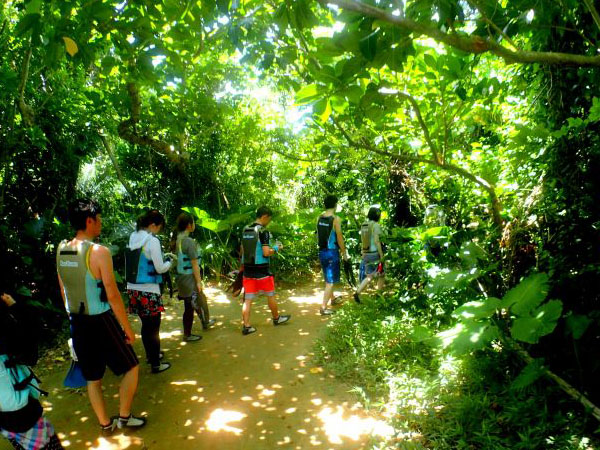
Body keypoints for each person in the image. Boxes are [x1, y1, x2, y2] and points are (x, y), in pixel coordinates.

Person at [56, 199, 145, 436]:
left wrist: (72, 317)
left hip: (77, 321)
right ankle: (124, 417)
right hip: (101, 319)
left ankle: (105, 424)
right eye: (99, 219)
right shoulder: (98, 252)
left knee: (92, 377)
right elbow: (113, 295)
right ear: (89, 221)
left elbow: (63, 289)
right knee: (131, 367)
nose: (101, 223)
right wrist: (127, 329)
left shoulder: (61, 248)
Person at [0, 292, 63, 450]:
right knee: (47, 445)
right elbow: (29, 353)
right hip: (18, 408)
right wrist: (15, 307)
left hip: (7, 411)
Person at [126, 209, 173, 373]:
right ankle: (155, 364)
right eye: (159, 227)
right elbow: (160, 268)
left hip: (133, 290)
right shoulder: (152, 241)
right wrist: (169, 263)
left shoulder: (133, 236)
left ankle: (151, 356)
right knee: (154, 328)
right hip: (148, 290)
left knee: (146, 326)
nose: (159, 231)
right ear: (153, 225)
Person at [240, 206, 290, 335]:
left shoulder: (246, 229)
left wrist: (242, 267)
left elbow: (242, 251)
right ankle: (276, 318)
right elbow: (266, 253)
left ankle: (246, 326)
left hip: (248, 269)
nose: (269, 222)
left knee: (248, 299)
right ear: (264, 217)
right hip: (262, 270)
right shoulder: (263, 231)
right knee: (270, 294)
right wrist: (277, 248)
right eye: (269, 219)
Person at [174, 212, 215, 342]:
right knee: (191, 305)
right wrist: (198, 281)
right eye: (193, 222)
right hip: (189, 278)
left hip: (181, 278)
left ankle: (205, 322)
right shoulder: (188, 241)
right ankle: (187, 334)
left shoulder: (178, 239)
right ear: (189, 225)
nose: (194, 225)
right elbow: (194, 264)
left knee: (198, 300)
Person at [316, 194, 349, 315]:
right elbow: (339, 237)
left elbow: (318, 235)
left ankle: (333, 298)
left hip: (322, 251)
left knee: (327, 276)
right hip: (331, 252)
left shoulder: (319, 218)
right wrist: (344, 252)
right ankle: (323, 307)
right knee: (329, 281)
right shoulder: (336, 219)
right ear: (335, 205)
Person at [354, 206, 385, 303]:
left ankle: (357, 292)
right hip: (375, 254)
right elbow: (376, 241)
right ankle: (379, 294)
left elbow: (363, 240)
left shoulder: (364, 225)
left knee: (369, 276)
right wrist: (382, 255)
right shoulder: (376, 225)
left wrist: (363, 253)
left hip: (366, 254)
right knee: (382, 274)